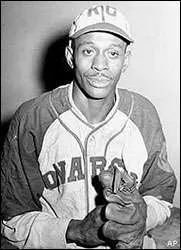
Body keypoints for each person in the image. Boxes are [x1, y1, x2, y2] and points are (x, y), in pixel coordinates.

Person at [1, 4, 180, 249]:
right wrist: (75, 231)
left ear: (125, 60)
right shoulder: (31, 118)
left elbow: (161, 194)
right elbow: (12, 220)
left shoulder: (143, 114)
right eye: (88, 51)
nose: (100, 64)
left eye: (113, 53)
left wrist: (142, 217)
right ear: (70, 55)